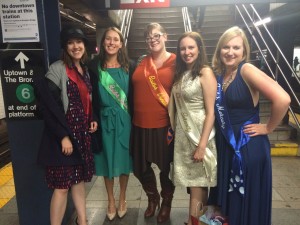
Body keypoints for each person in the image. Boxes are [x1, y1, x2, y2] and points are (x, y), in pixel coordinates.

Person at [208, 26, 291, 225]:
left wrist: (268, 128)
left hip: (246, 145)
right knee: (230, 201)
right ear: (219, 50)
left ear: (244, 51)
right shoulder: (221, 76)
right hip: (227, 146)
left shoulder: (246, 70)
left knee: (242, 197)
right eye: (225, 47)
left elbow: (283, 99)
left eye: (236, 47)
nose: (230, 52)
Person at [35, 27, 98, 225]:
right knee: (62, 187)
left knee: (78, 181)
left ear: (84, 46)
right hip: (63, 136)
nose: (76, 46)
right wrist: (63, 136)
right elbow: (47, 107)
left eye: (79, 42)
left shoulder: (85, 70)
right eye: (71, 42)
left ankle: (83, 220)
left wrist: (92, 117)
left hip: (81, 135)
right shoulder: (58, 69)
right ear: (65, 47)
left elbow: (86, 100)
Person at [168, 31, 217, 225]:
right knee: (194, 182)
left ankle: (194, 221)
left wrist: (202, 145)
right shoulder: (182, 73)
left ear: (199, 49)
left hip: (198, 134)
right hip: (183, 134)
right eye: (182, 48)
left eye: (191, 47)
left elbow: (211, 112)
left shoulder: (205, 72)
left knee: (198, 182)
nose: (186, 52)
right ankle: (195, 220)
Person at [130, 22, 176, 223]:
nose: (153, 40)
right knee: (139, 168)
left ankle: (166, 203)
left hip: (163, 126)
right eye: (149, 37)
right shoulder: (141, 62)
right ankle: (152, 197)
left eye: (157, 35)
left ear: (165, 36)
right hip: (139, 125)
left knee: (166, 169)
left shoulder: (177, 62)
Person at [88, 27, 134, 221]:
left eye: (116, 39)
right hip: (104, 120)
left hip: (125, 120)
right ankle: (110, 200)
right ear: (103, 42)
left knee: (124, 161)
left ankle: (123, 197)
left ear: (121, 43)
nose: (112, 43)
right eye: (108, 39)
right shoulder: (93, 66)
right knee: (107, 161)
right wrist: (92, 118)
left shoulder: (130, 66)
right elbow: (90, 97)